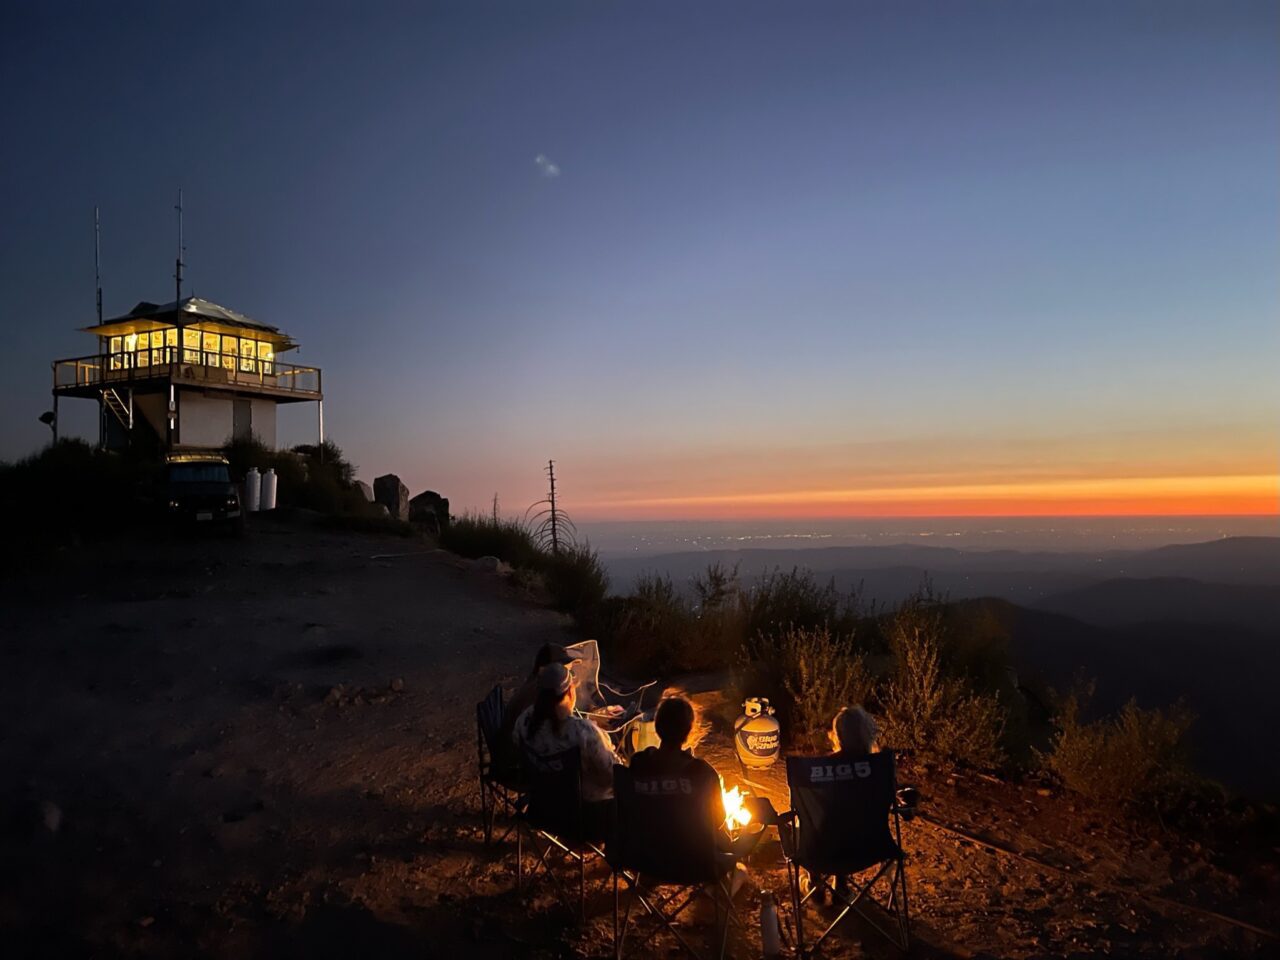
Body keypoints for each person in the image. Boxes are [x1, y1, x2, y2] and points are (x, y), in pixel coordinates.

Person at [629, 696, 756, 886]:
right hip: (695, 864)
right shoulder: (703, 773)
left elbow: (631, 810)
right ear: (688, 732)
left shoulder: (639, 763)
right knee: (737, 856)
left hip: (644, 859)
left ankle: (650, 878)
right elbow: (719, 821)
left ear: (656, 728)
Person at [512, 661, 620, 837]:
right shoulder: (584, 732)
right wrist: (609, 745)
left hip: (542, 809)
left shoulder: (524, 721)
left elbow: (518, 746)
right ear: (570, 691)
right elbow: (614, 776)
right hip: (585, 819)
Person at [807, 704, 879, 903]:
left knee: (816, 822)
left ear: (837, 735)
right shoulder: (880, 768)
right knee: (849, 822)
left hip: (823, 850)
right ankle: (841, 887)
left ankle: (816, 884)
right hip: (868, 848)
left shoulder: (820, 768)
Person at [500, 642, 579, 744]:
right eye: (562, 669)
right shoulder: (539, 693)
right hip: (514, 751)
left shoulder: (537, 683)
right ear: (545, 668)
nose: (567, 673)